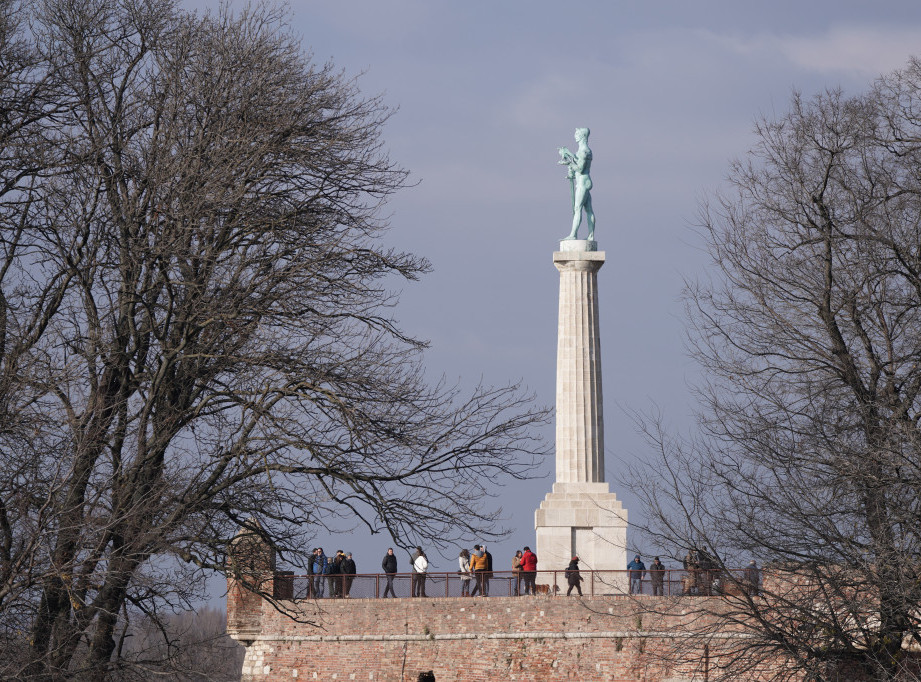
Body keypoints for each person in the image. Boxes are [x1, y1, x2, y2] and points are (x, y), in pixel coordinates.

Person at [558, 127, 595, 241]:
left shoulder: (584, 151)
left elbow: (579, 168)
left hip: (583, 182)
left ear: (582, 136)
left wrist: (568, 161)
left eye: (577, 134)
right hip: (583, 181)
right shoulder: (583, 151)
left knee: (577, 208)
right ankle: (590, 236)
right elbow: (577, 167)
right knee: (588, 209)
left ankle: (573, 234)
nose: (575, 136)